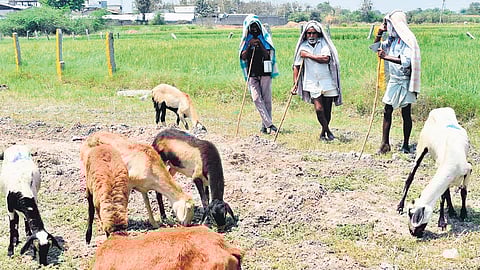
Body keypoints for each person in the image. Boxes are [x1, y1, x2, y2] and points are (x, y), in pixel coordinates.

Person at [370, 10, 421, 154]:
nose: (387, 26)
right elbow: (375, 48)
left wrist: (386, 57)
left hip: (404, 80)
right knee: (387, 110)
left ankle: (405, 144)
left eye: (388, 24)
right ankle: (385, 144)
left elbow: (406, 61)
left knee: (405, 112)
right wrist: (379, 33)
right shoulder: (392, 39)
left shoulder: (407, 40)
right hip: (394, 80)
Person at [292, 20, 342, 141]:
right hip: (312, 81)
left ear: (318, 34)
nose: (311, 36)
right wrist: (295, 84)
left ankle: (323, 133)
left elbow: (325, 59)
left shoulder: (324, 44)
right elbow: (296, 66)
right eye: (309, 33)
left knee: (327, 110)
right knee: (319, 109)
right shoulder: (302, 47)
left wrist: (308, 55)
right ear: (305, 34)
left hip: (327, 81)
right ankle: (328, 132)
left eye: (314, 33)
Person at [239, 15, 279, 134]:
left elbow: (268, 55)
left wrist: (260, 44)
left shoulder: (265, 38)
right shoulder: (246, 39)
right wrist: (250, 44)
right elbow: (242, 56)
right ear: (248, 28)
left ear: (260, 27)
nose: (254, 29)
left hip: (265, 71)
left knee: (266, 99)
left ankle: (264, 126)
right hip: (252, 72)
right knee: (256, 98)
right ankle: (269, 124)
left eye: (256, 26)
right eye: (252, 27)